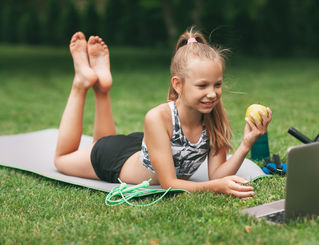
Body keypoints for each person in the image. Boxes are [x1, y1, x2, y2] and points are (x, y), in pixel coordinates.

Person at [54, 29, 272, 199]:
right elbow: (169, 183)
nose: (212, 94)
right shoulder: (157, 117)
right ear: (177, 84)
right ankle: (81, 82)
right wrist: (214, 188)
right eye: (202, 85)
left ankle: (102, 89)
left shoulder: (214, 119)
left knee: (103, 140)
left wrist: (246, 144)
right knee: (62, 160)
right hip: (115, 160)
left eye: (217, 84)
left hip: (145, 148)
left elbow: (217, 175)